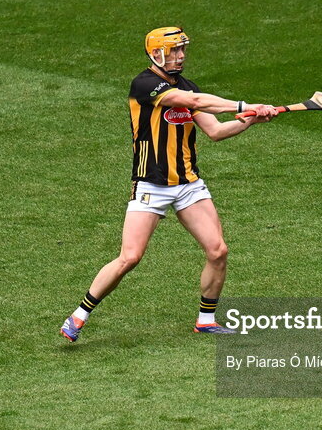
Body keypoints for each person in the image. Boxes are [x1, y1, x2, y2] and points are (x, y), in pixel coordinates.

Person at [60, 27, 278, 341]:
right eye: (174, 50)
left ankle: (205, 319)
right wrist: (246, 106)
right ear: (157, 53)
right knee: (130, 257)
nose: (181, 56)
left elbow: (215, 131)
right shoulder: (145, 84)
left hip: (189, 184)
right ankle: (80, 314)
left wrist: (251, 121)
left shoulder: (188, 87)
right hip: (151, 184)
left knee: (218, 250)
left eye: (182, 50)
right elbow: (192, 100)